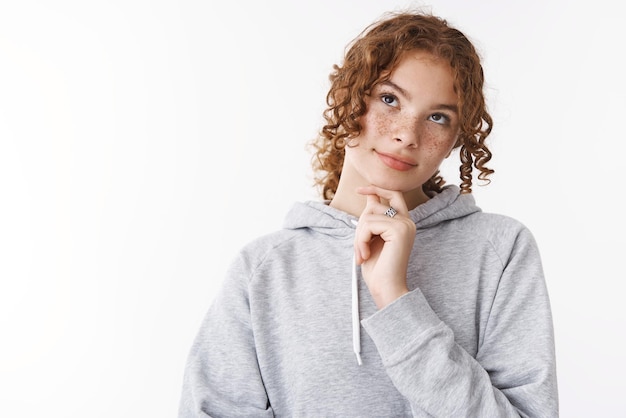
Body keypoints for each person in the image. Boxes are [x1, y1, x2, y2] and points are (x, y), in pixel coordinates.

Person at [178, 10, 558, 417]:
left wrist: (395, 299)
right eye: (389, 99)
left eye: (437, 117)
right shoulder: (264, 268)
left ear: (455, 140)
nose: (407, 135)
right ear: (348, 99)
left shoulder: (500, 250)